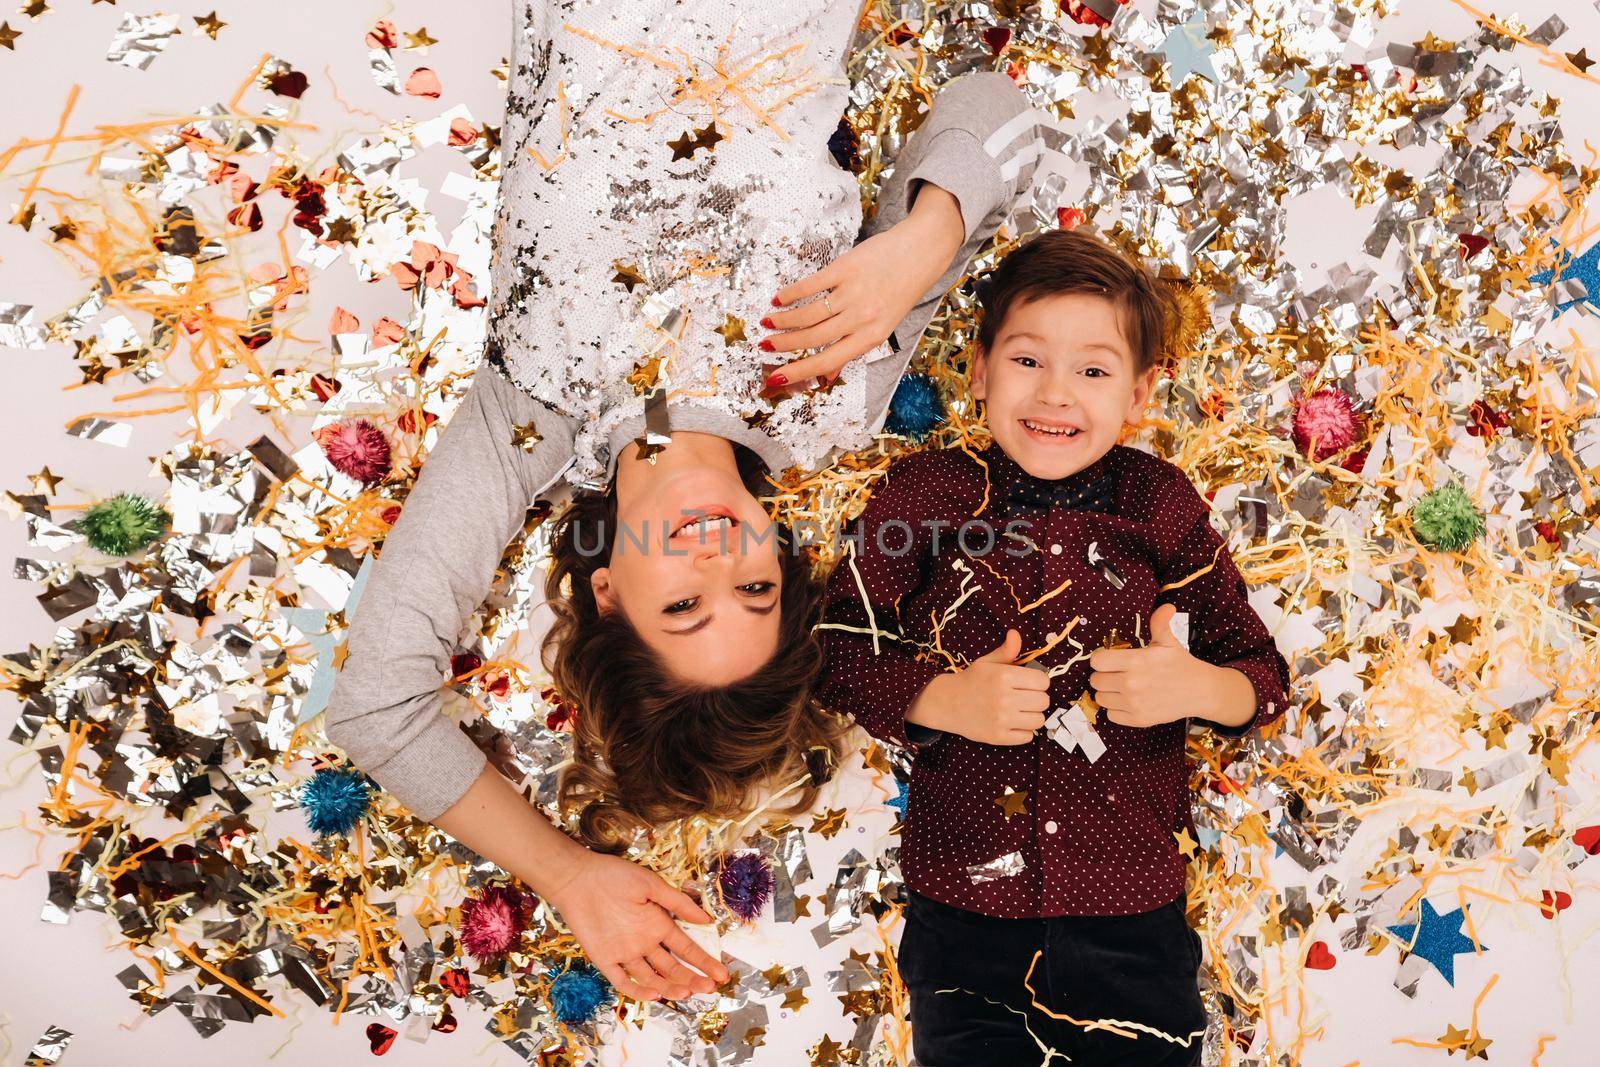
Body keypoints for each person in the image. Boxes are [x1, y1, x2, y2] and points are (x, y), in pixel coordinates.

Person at [324, 0, 1062, 1043]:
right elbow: (995, 108)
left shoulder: (532, 413)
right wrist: (928, 233)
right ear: (780, 555)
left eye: (682, 603)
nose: (717, 556)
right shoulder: (829, 391)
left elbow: (374, 704)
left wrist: (568, 873)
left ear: (607, 593)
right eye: (753, 588)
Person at [815, 228, 1294, 1065]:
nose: (1056, 394)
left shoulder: (1158, 505)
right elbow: (837, 647)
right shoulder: (925, 494)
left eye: (1095, 371)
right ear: (979, 368)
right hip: (965, 922)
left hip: (1134, 926)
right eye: (1028, 361)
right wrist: (940, 698)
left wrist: (1193, 688)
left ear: (1141, 393)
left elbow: (1263, 675)